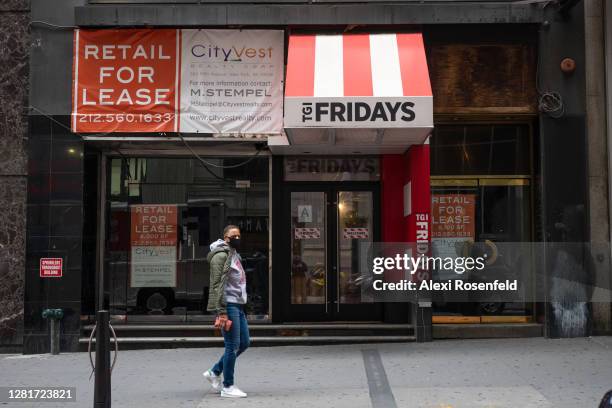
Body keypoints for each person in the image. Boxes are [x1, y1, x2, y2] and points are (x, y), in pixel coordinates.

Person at [203, 225, 250, 398]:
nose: (237, 237)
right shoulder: (221, 255)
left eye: (239, 234)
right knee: (232, 346)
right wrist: (221, 311)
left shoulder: (234, 254)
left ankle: (214, 371)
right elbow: (217, 285)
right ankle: (228, 386)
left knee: (244, 342)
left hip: (237, 305)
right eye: (233, 235)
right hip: (228, 306)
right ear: (225, 237)